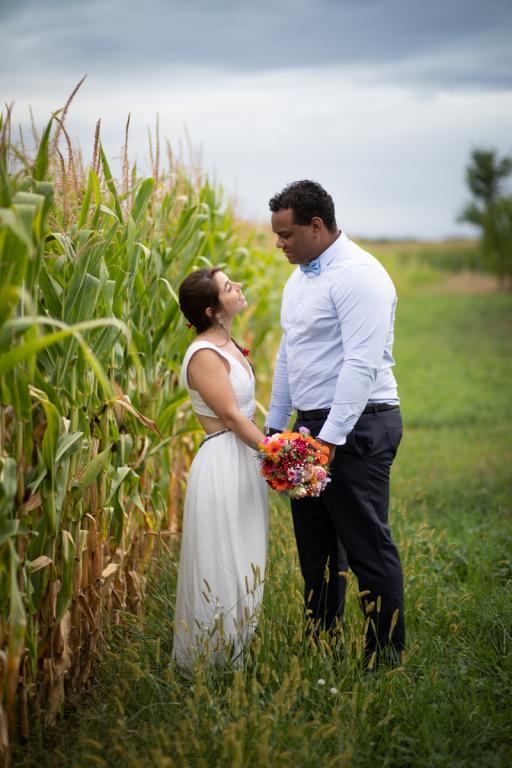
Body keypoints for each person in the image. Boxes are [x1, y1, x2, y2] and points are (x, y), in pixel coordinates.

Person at [265, 180, 405, 668]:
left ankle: (384, 658)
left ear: (317, 226)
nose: (279, 244)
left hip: (357, 424)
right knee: (317, 552)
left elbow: (361, 365)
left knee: (367, 545)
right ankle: (320, 645)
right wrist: (274, 425)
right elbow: (290, 354)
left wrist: (328, 440)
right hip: (311, 428)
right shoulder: (300, 277)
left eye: (286, 234)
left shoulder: (360, 275)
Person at [172, 267, 268, 674]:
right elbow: (230, 415)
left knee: (247, 554)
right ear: (212, 309)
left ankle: (239, 651)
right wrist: (281, 455)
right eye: (230, 287)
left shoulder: (227, 344)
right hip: (224, 461)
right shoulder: (204, 355)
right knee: (224, 556)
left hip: (243, 459)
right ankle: (212, 662)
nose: (239, 287)